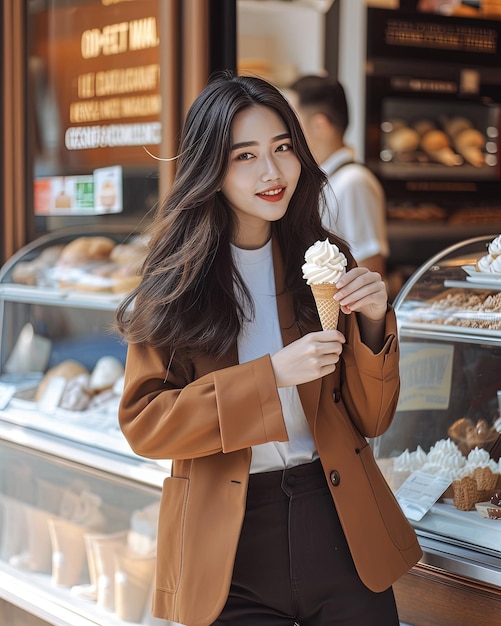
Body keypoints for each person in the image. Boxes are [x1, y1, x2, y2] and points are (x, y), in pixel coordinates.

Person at [115, 70, 421, 626]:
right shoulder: (174, 283)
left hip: (338, 524)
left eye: (283, 148)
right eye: (246, 156)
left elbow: (371, 419)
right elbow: (145, 424)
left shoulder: (328, 263)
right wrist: (269, 376)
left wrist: (375, 326)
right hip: (228, 548)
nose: (273, 171)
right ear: (210, 167)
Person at [288, 75, 389, 277]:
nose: (286, 130)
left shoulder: (353, 181)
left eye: (292, 120)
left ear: (319, 125)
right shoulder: (327, 179)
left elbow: (369, 269)